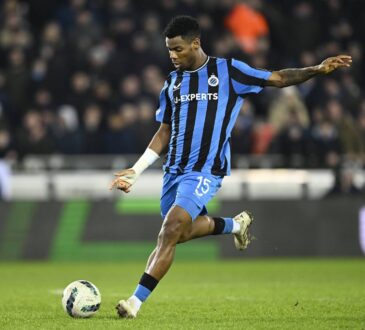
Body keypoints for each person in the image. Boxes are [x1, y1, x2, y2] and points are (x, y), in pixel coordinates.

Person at [109, 15, 352, 318]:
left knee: (169, 230)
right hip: (173, 171)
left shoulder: (228, 71)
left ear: (195, 43)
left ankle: (134, 302)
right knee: (179, 233)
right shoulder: (172, 82)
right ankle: (237, 225)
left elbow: (277, 78)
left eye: (179, 49)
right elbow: (164, 132)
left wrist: (315, 70)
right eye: (169, 50)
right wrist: (137, 169)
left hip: (205, 170)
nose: (173, 56)